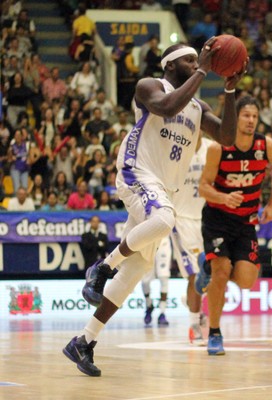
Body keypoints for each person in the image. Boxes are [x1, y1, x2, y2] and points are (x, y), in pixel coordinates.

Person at [63, 39, 245, 377]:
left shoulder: (198, 107)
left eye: (198, 61)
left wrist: (231, 92)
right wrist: (205, 68)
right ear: (171, 65)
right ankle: (102, 267)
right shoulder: (149, 86)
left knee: (133, 274)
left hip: (164, 190)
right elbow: (165, 107)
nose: (197, 64)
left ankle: (83, 341)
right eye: (190, 61)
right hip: (138, 174)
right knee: (164, 219)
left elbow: (228, 137)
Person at [197, 96, 272, 356]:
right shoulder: (218, 148)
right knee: (222, 271)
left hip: (246, 221)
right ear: (235, 118)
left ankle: (207, 266)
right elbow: (203, 187)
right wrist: (224, 197)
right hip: (217, 220)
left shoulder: (265, 145)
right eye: (246, 115)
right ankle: (214, 332)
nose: (250, 121)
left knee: (247, 281)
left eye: (254, 117)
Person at [170, 137, 213, 343]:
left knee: (209, 274)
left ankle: (192, 302)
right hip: (182, 219)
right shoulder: (175, 146)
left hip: (207, 219)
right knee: (194, 275)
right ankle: (194, 324)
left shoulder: (211, 148)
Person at [140, 236, 172, 326]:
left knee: (164, 276)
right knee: (145, 280)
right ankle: (149, 305)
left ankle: (162, 313)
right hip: (147, 241)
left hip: (163, 240)